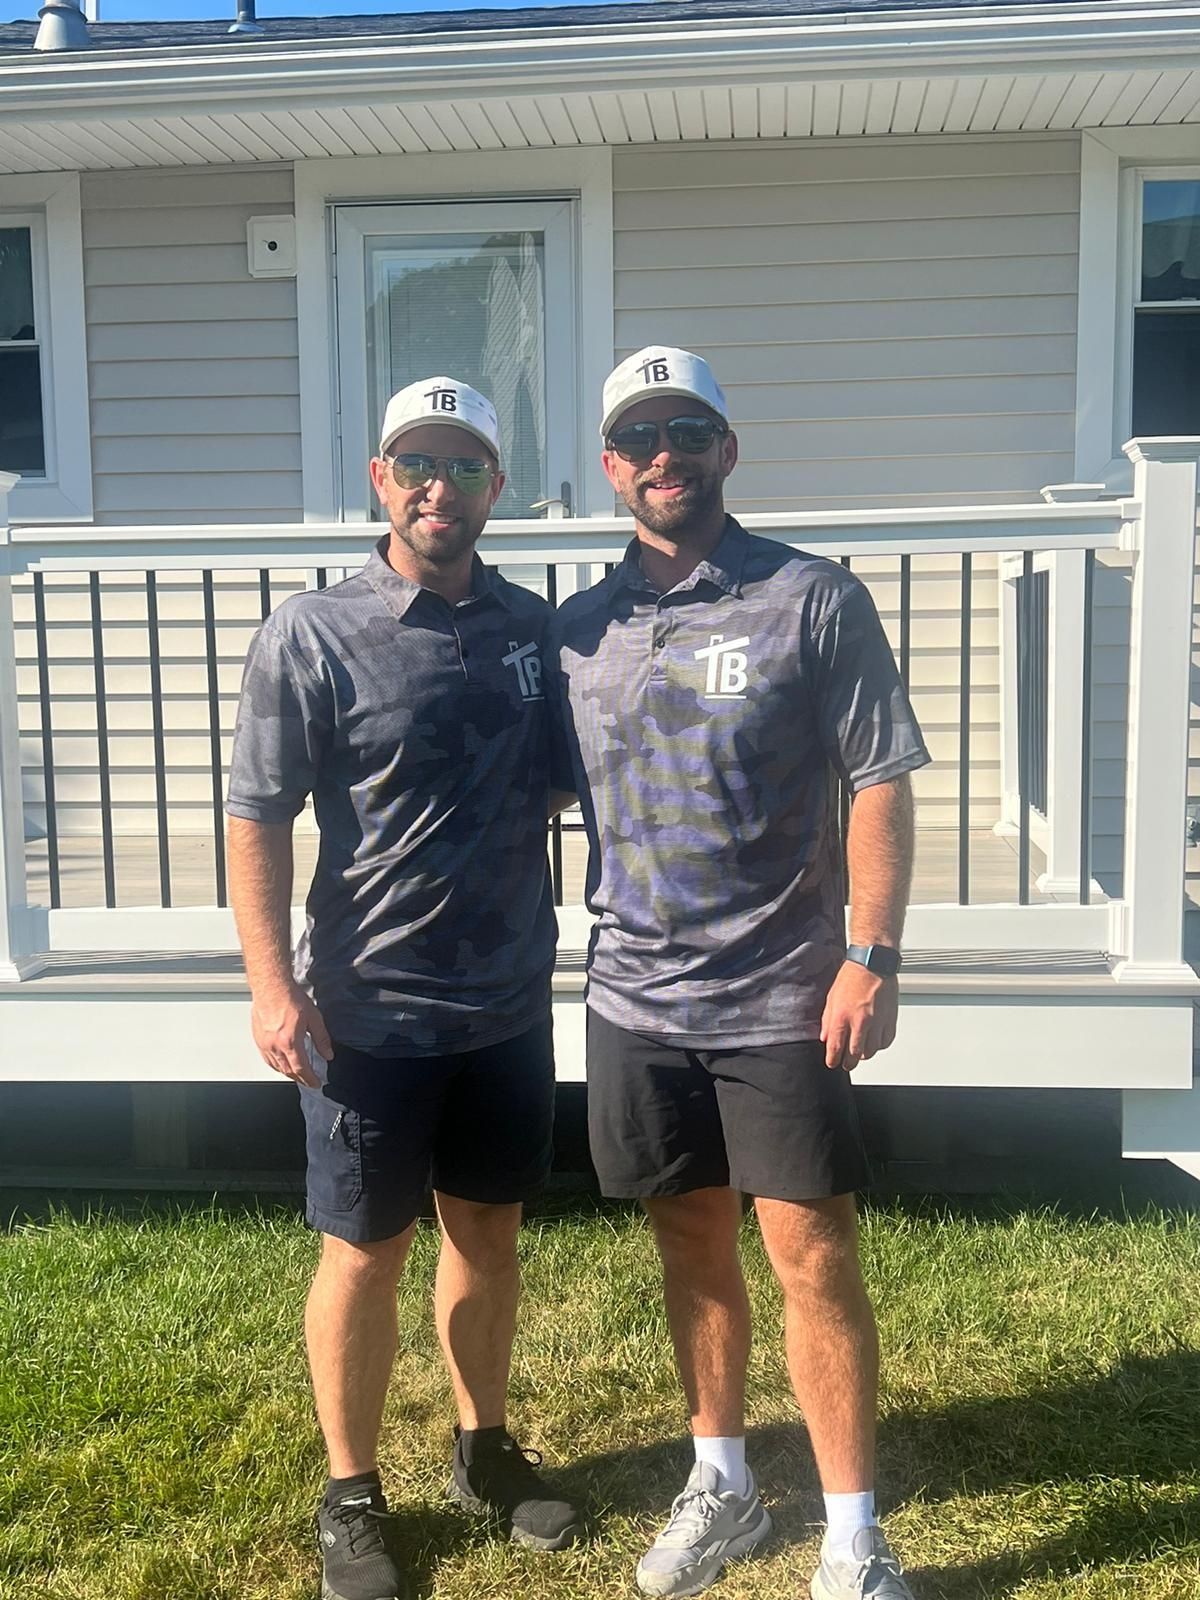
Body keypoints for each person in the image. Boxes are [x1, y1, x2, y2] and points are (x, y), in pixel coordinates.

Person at [553, 347, 930, 1600]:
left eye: (690, 430)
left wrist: (869, 956)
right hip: (635, 995)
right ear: (613, 466)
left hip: (781, 985)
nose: (666, 453)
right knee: (689, 1239)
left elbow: (879, 775)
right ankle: (725, 1484)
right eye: (642, 435)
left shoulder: (810, 598)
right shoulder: (578, 631)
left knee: (811, 1249)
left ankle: (854, 1539)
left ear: (727, 449)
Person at [225, 377, 579, 1600]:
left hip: (505, 1005)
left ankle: (482, 1449)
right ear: (380, 481)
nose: (442, 488)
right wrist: (273, 985)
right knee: (363, 1252)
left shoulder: (536, 634)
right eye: (416, 466)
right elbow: (258, 814)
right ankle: (352, 1493)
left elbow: (558, 788)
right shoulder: (315, 632)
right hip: (366, 1008)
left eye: (466, 467)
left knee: (486, 1234)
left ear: (497, 488)